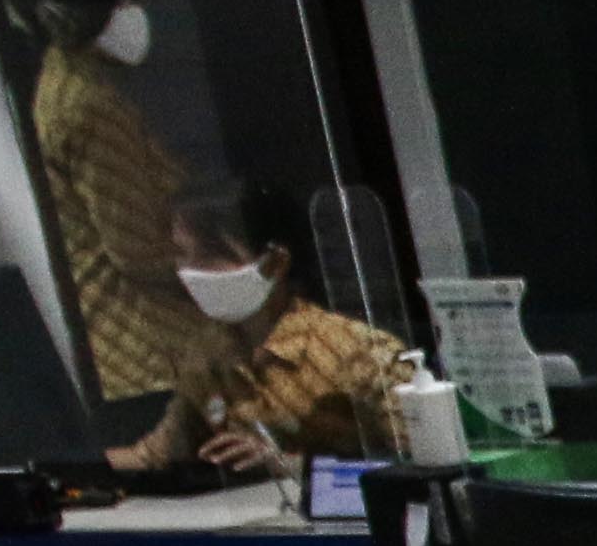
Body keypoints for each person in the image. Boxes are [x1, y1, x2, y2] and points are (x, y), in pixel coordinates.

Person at [6, 0, 225, 423]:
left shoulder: (63, 85)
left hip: (124, 346)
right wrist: (231, 268)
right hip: (151, 350)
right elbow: (139, 249)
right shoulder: (90, 106)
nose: (134, 9)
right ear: (86, 9)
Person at [113, 184, 421, 480]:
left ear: (275, 262)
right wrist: (73, 466)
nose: (191, 270)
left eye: (211, 254)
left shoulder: (357, 349)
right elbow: (153, 456)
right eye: (183, 254)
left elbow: (420, 461)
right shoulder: (208, 356)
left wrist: (286, 465)